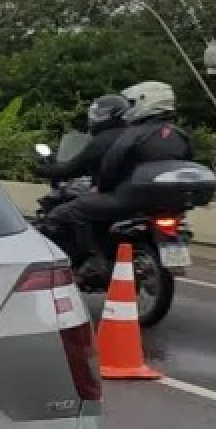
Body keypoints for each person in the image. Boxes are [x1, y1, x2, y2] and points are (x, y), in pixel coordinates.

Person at [39, 83, 191, 281]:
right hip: (163, 202)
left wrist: (103, 187)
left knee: (69, 211)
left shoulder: (134, 134)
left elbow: (111, 164)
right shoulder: (179, 134)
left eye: (133, 103)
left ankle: (95, 260)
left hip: (129, 198)